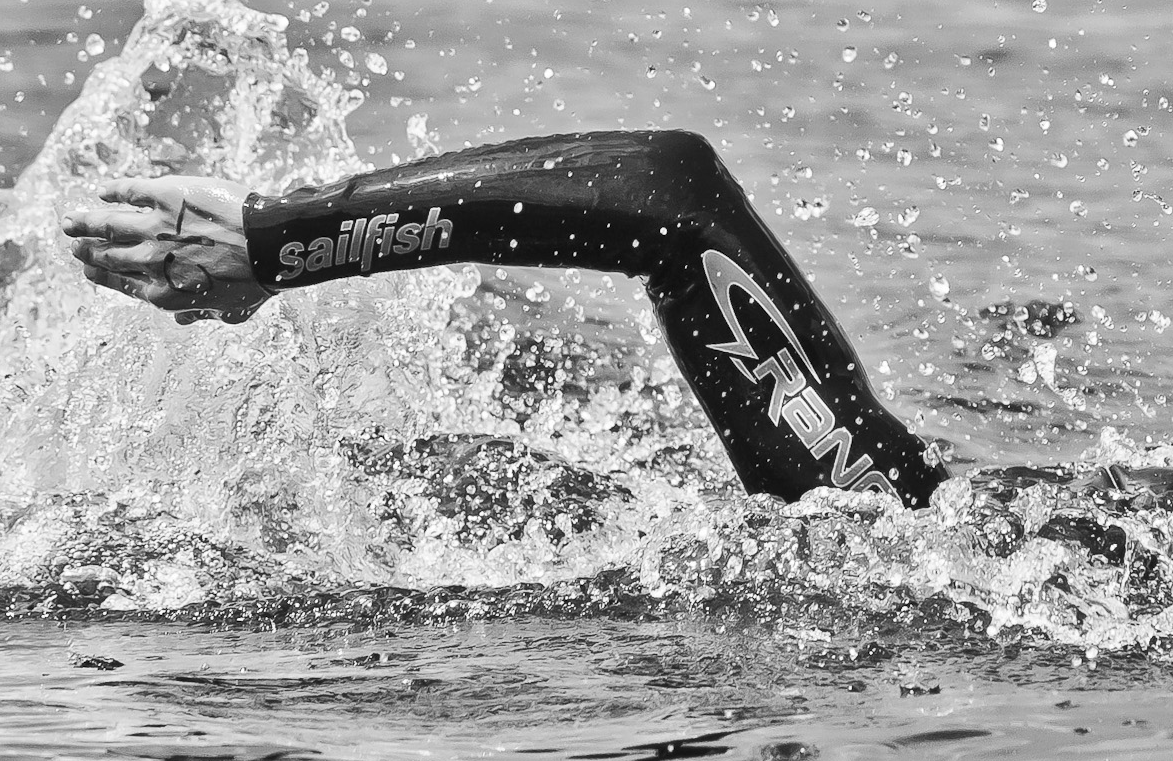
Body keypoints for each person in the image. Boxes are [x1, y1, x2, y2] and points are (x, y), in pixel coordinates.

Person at [62, 129, 943, 509]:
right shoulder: (929, 538)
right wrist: (280, 239)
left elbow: (671, 194)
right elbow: (671, 195)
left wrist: (277, 241)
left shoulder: (904, 540)